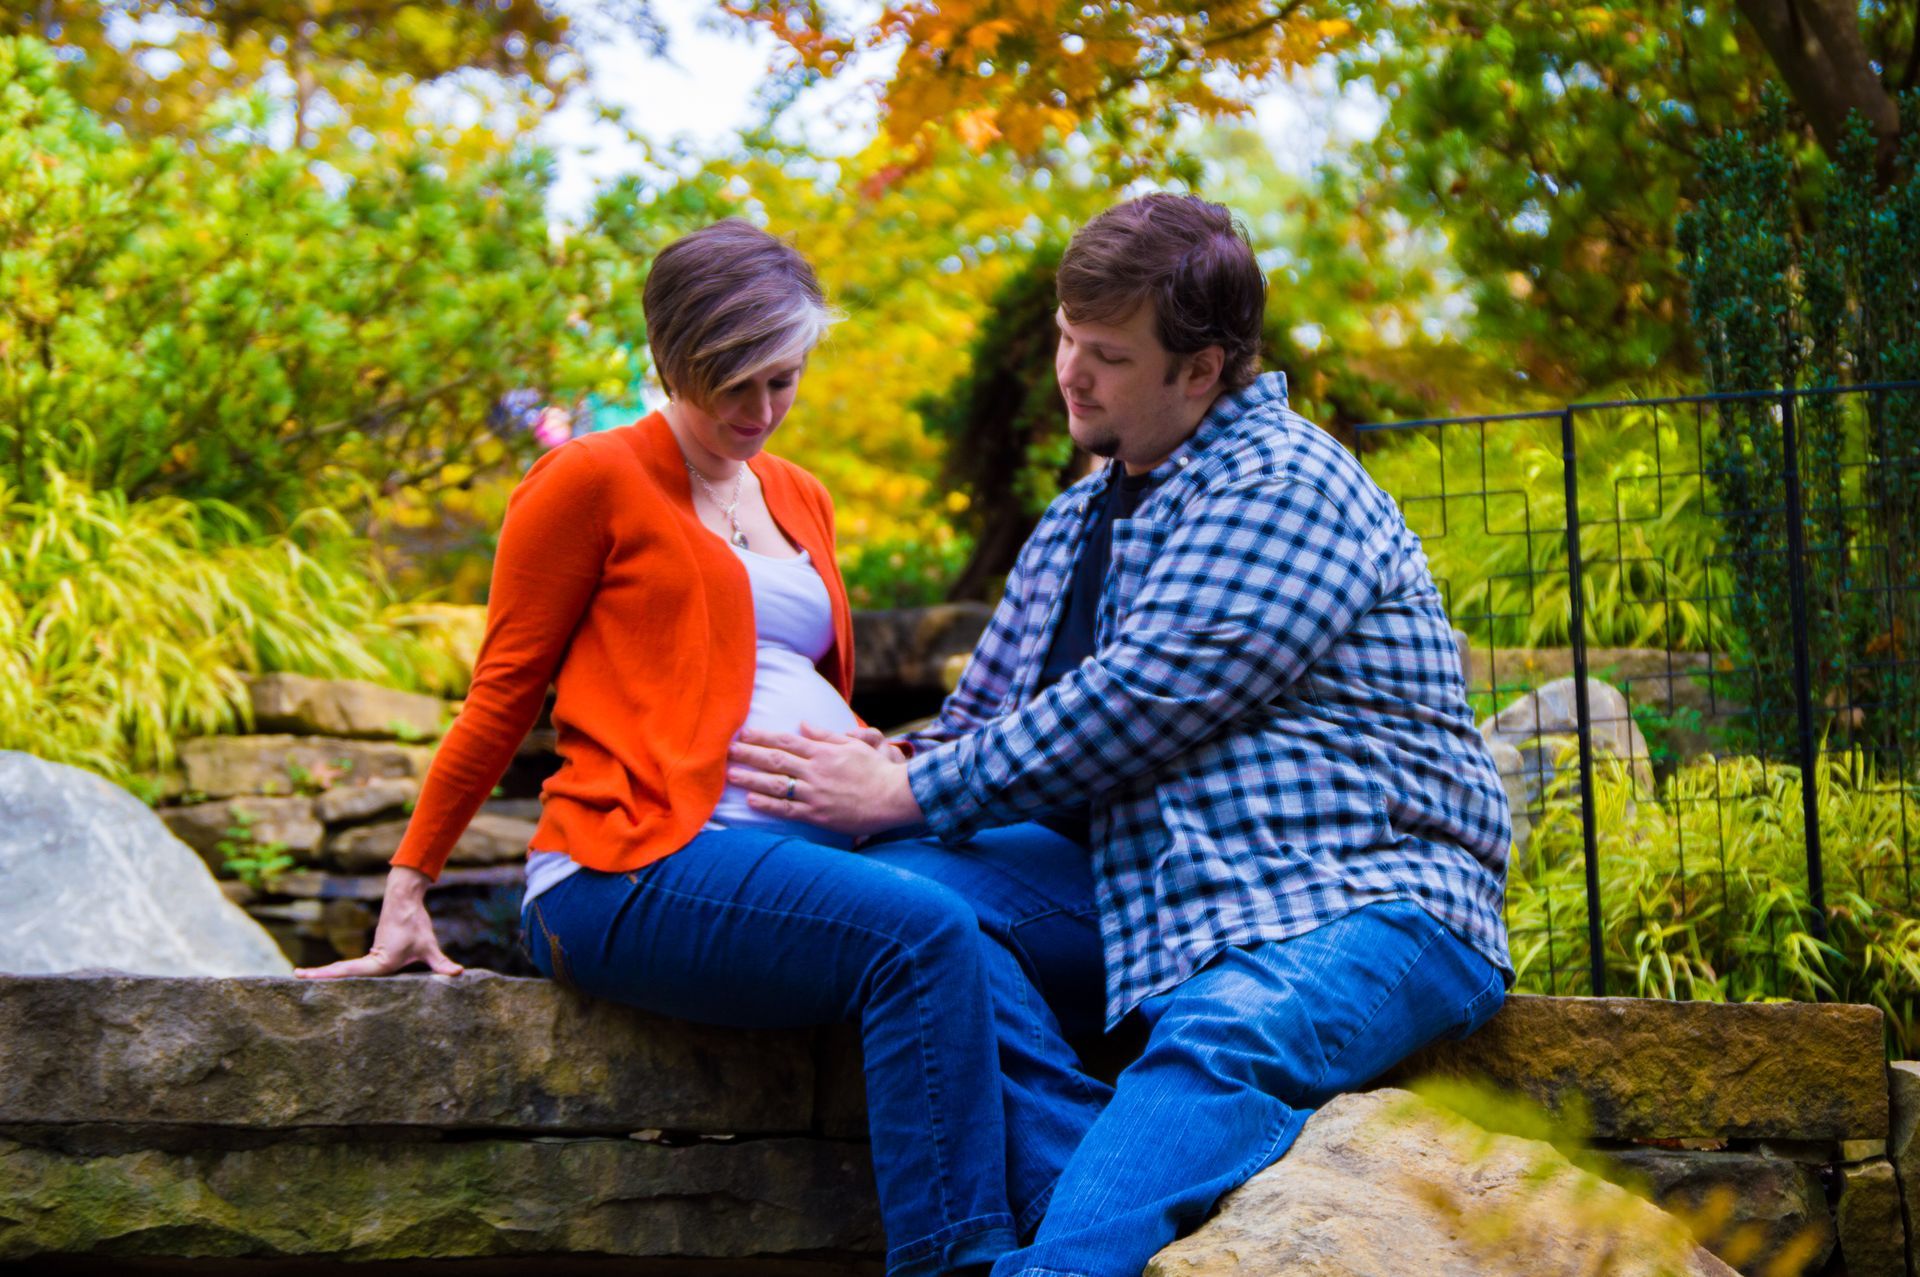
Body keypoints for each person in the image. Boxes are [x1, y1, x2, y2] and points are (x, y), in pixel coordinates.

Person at [293, 220, 1108, 1277]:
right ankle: (980, 1253)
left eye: (783, 379)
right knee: (924, 936)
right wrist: (409, 883)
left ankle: (1097, 1200)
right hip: (631, 862)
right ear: (669, 357)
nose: (759, 410)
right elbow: (498, 698)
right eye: (732, 382)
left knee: (1082, 892)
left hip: (820, 848)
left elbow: (785, 668)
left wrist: (869, 752)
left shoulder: (798, 491)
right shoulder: (588, 480)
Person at [726, 193, 1515, 1277]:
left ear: (1202, 370)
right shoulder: (1077, 520)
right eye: (1065, 337)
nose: (1071, 373)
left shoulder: (1284, 486)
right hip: (1158, 889)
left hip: (1361, 895)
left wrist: (904, 792)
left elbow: (1139, 701)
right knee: (907, 903)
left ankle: (1056, 1257)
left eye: (1106, 353)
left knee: (1225, 1032)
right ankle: (1073, 1198)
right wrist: (875, 769)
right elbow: (984, 727)